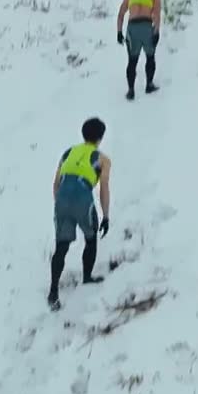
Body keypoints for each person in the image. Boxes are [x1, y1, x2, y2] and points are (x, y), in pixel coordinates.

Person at [48, 117, 111, 310]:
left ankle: (53, 292)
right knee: (91, 238)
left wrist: (60, 204)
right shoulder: (103, 159)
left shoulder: (68, 153)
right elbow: (104, 188)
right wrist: (106, 216)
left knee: (61, 246)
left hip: (62, 197)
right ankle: (87, 277)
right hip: (82, 197)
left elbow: (56, 183)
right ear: (100, 137)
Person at [116, 0, 162, 100]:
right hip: (146, 27)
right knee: (150, 57)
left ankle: (131, 90)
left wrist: (119, 32)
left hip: (132, 28)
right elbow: (157, 14)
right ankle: (149, 85)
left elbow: (121, 14)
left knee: (132, 61)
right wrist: (156, 32)